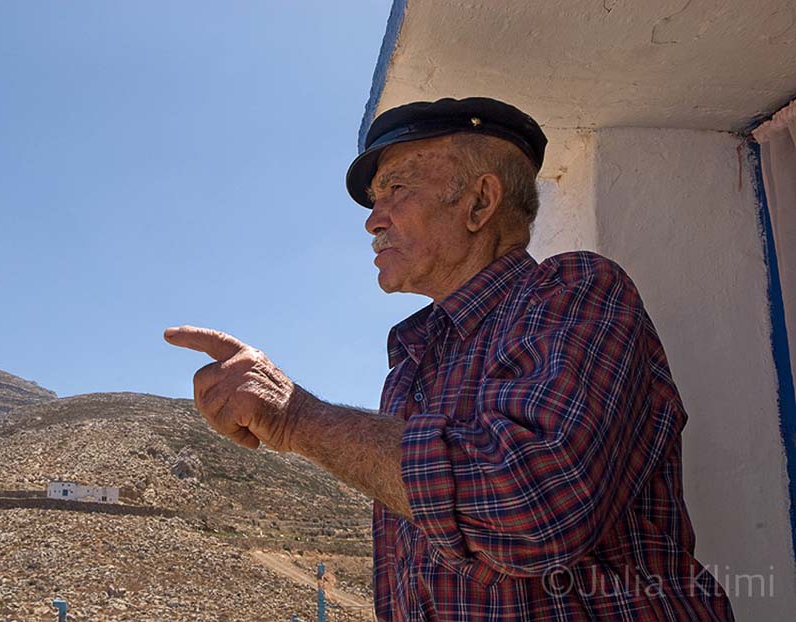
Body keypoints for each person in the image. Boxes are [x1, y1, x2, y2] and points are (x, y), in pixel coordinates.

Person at [164, 97, 734, 621]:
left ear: (480, 202)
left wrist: (296, 418)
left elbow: (531, 507)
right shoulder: (411, 363)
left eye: (397, 190)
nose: (372, 219)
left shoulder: (575, 292)